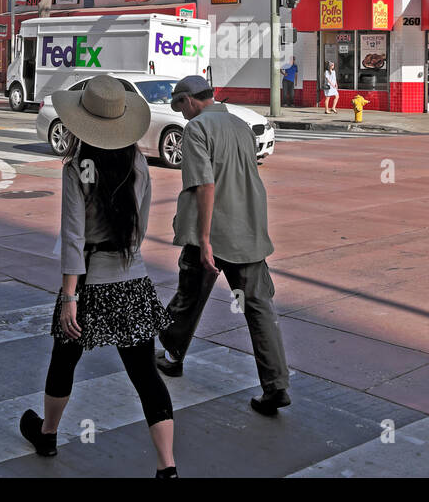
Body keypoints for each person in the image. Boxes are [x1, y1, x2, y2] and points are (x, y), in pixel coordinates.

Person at [18, 75, 178, 476]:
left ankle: (49, 435)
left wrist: (69, 298)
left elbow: (73, 236)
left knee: (64, 359)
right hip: (132, 278)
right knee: (145, 374)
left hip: (87, 283)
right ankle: (167, 466)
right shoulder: (138, 161)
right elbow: (139, 229)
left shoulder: (76, 168)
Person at [157, 75, 291, 416]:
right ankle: (276, 384)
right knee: (259, 308)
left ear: (189, 101)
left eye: (179, 106)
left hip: (211, 232)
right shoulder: (240, 124)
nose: (181, 114)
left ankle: (172, 354)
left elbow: (204, 184)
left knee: (189, 297)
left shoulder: (197, 129)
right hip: (248, 229)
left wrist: (203, 239)